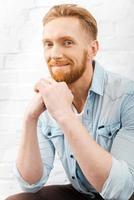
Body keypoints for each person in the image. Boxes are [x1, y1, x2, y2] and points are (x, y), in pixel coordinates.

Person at [6, 4, 134, 200]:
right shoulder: (49, 98)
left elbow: (120, 190)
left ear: (92, 49)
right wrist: (29, 119)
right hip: (82, 193)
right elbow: (30, 183)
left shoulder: (126, 96)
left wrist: (65, 115)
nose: (55, 55)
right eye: (48, 44)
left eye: (67, 43)